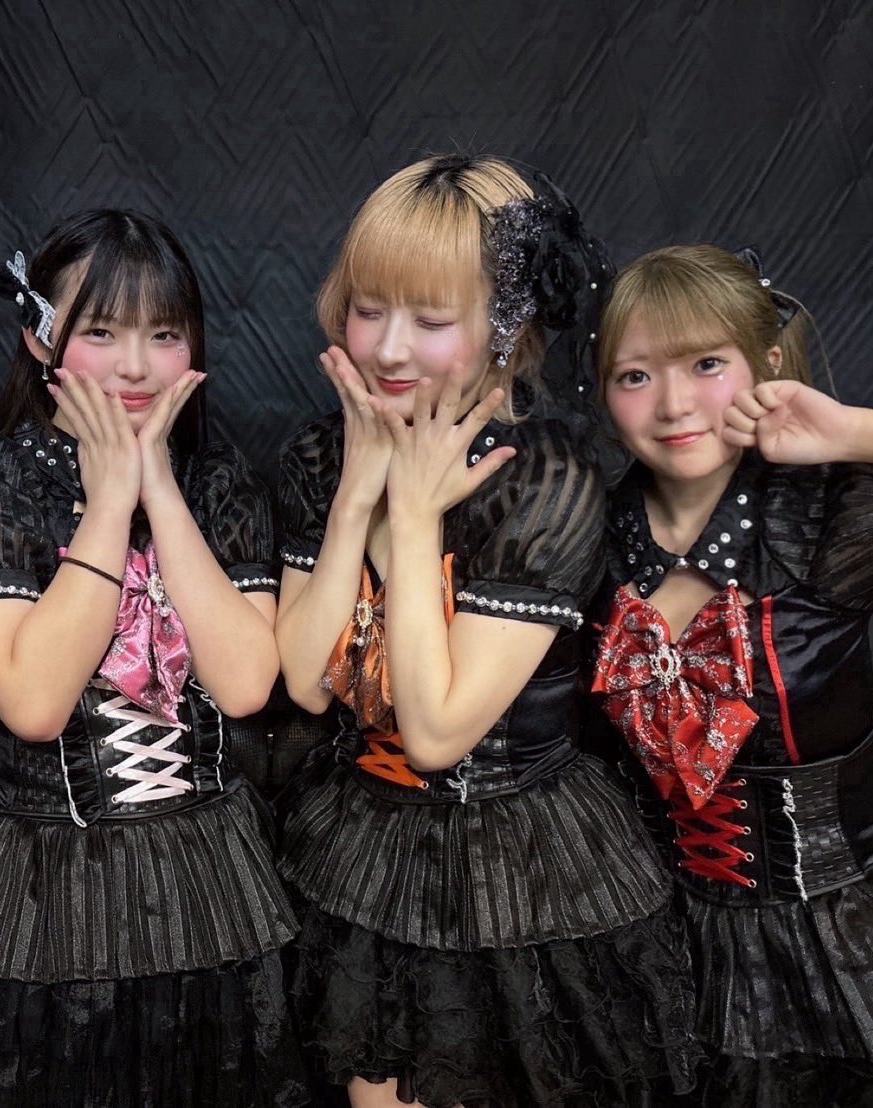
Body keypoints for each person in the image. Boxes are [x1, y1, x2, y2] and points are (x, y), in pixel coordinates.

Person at [275, 154, 698, 1107]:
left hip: (521, 854)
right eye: (368, 310)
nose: (387, 350)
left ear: (508, 333)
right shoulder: (323, 451)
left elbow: (434, 735)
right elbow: (303, 681)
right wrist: (355, 496)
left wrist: (413, 517)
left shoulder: (544, 477)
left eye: (430, 321)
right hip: (362, 843)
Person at [591, 243, 873, 1104]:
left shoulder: (828, 517)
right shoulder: (584, 539)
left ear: (767, 364)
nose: (673, 404)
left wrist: (858, 431)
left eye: (706, 364)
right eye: (634, 375)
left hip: (861, 932)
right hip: (666, 945)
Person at [0, 209, 306, 1107]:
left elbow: (244, 685)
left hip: (211, 875)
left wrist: (158, 486)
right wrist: (105, 505)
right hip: (43, 885)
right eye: (101, 332)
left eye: (163, 335)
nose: (137, 366)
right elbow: (33, 704)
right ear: (40, 338)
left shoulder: (217, 483)